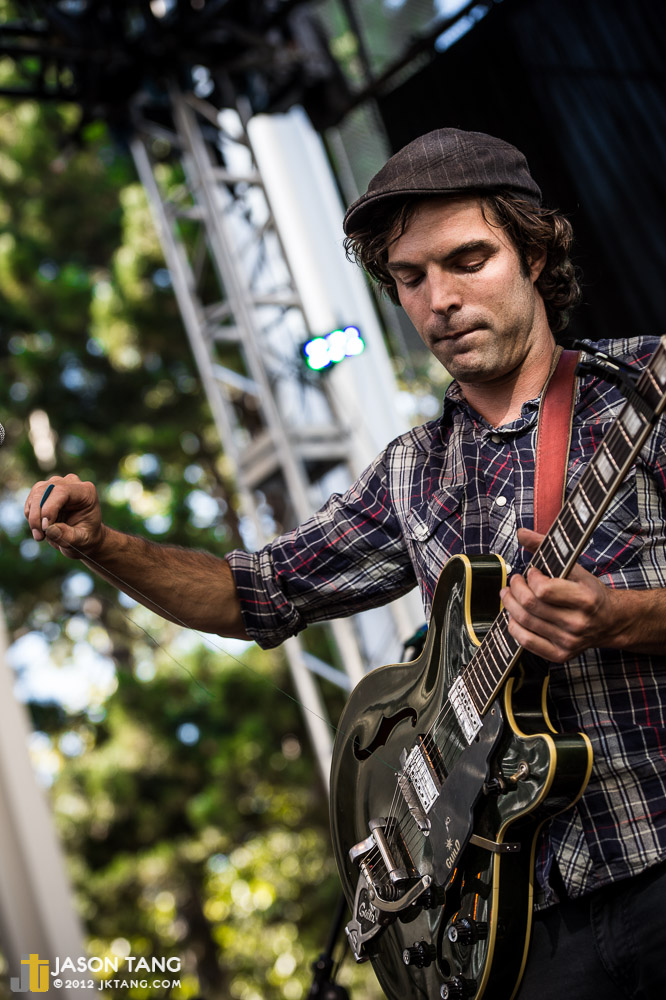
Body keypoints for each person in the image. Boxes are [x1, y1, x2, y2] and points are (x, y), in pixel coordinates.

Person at [24, 129, 666, 999]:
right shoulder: (412, 472)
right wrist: (105, 544)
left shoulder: (645, 392)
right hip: (517, 936)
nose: (440, 299)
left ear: (536, 253)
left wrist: (625, 618)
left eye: (468, 260)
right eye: (410, 278)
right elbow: (253, 593)